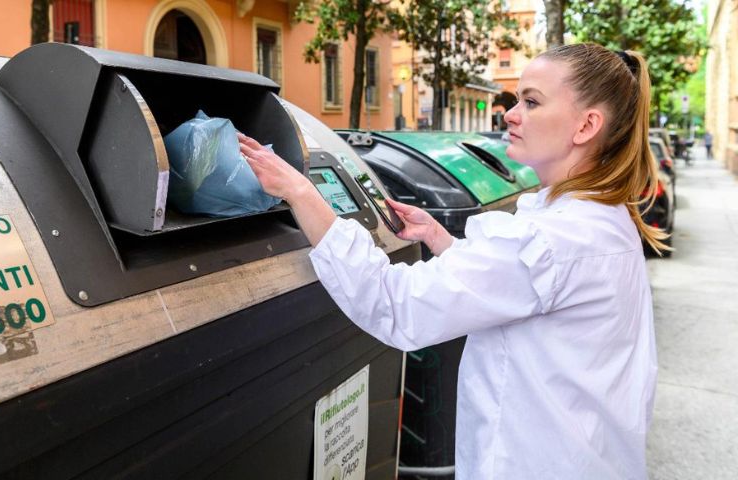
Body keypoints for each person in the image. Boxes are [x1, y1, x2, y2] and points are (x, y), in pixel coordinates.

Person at [239, 43, 662, 479]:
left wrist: (302, 192)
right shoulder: (603, 218)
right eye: (517, 99)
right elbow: (523, 291)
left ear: (586, 125)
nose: (510, 114)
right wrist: (441, 239)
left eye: (532, 102)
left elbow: (397, 305)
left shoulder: (547, 239)